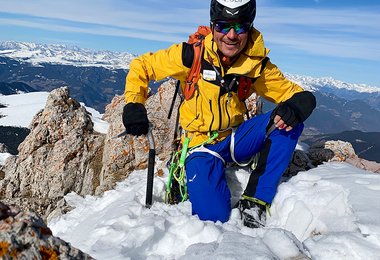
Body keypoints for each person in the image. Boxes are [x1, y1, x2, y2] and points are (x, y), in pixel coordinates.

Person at [122, 0, 316, 227]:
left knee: (289, 119)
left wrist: (301, 103)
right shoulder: (191, 55)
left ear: (250, 27)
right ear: (213, 26)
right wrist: (134, 103)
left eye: (240, 27)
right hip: (200, 146)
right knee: (213, 218)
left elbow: (295, 95)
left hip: (236, 138)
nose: (231, 35)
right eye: (224, 26)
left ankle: (255, 200)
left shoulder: (256, 65)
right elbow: (142, 66)